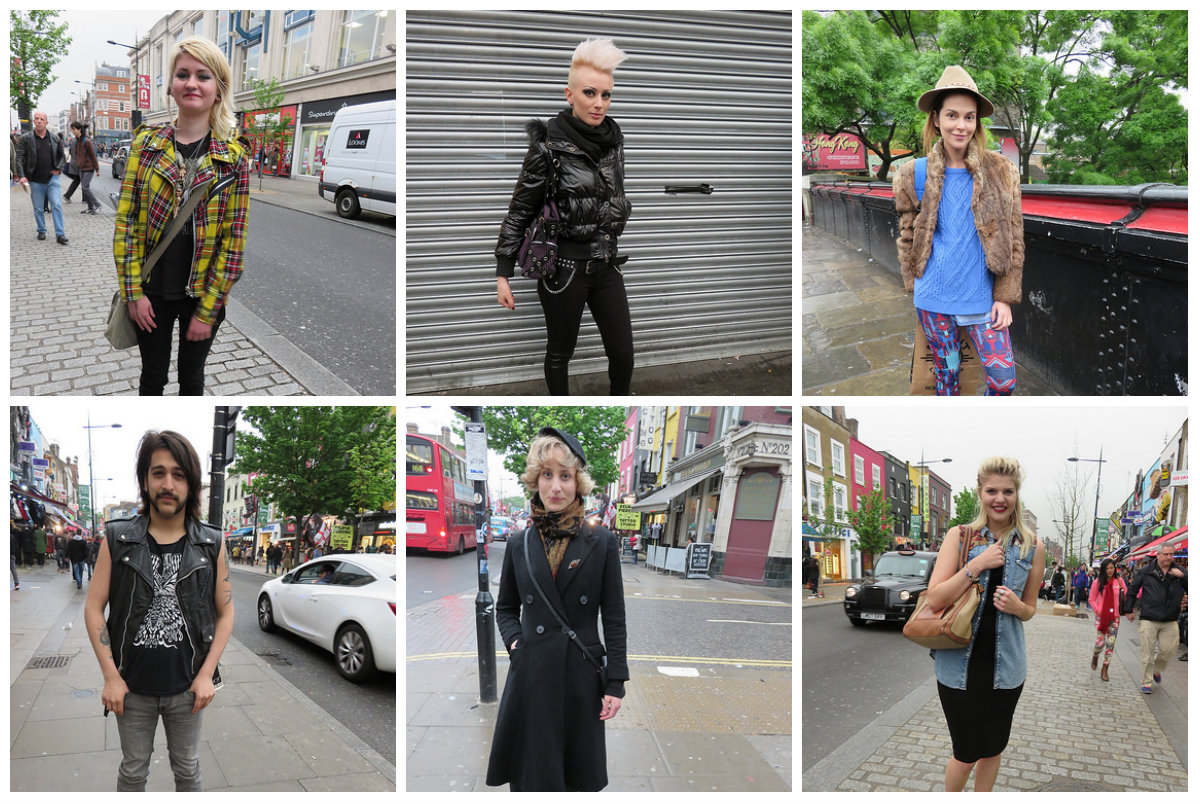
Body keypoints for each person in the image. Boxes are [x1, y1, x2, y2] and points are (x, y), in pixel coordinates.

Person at [83, 430, 233, 791]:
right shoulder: (118, 538)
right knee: (133, 772)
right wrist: (111, 677)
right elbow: (92, 608)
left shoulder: (211, 543)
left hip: (188, 689)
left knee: (187, 770)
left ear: (191, 485)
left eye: (179, 475)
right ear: (145, 480)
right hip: (131, 689)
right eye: (159, 472)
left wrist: (205, 676)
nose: (168, 484)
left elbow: (226, 614)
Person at [486, 427, 629, 790]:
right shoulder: (520, 543)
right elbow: (505, 609)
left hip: (580, 678)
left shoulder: (602, 543)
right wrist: (517, 645)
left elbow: (613, 616)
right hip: (532, 677)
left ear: (578, 482)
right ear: (535, 480)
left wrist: (615, 683)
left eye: (565, 476)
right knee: (534, 775)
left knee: (575, 778)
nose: (555, 487)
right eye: (547, 475)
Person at [494, 38, 634, 395]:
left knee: (623, 355)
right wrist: (503, 273)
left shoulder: (614, 141)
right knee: (560, 353)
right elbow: (521, 208)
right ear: (569, 95)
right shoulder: (547, 146)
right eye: (590, 93)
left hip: (606, 263)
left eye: (606, 94)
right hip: (564, 270)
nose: (599, 103)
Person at [114, 37, 251, 396]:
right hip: (151, 294)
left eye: (203, 76)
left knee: (192, 379)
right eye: (183, 74)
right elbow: (126, 225)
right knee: (152, 378)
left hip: (201, 294)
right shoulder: (146, 146)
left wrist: (209, 308)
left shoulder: (233, 160)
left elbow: (233, 244)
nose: (192, 83)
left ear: (218, 91)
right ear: (172, 87)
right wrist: (133, 293)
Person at [893, 66, 1023, 396]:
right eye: (952, 115)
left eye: (969, 117)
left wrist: (1004, 297)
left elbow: (1014, 235)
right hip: (934, 302)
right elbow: (907, 233)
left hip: (983, 304)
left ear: (977, 122)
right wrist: (914, 283)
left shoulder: (1001, 171)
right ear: (936, 119)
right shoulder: (913, 173)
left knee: (1003, 381)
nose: (960, 125)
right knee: (947, 380)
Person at [923, 457, 1045, 792]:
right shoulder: (959, 536)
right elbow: (934, 599)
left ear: (1017, 494)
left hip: (1007, 669)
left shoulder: (1033, 546)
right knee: (965, 753)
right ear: (980, 493)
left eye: (1008, 491)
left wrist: (1019, 606)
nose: (1000, 498)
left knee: (992, 749)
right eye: (992, 490)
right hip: (958, 668)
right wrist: (975, 565)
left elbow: (1031, 608)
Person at [1124, 542, 1188, 694]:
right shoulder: (1146, 571)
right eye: (1165, 554)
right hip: (1149, 617)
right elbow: (1133, 589)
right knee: (1148, 652)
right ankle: (1147, 681)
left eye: (1171, 554)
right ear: (1158, 555)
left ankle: (1156, 669)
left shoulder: (1178, 572)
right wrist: (1129, 609)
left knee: (1169, 649)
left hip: (1170, 618)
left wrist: (1184, 577)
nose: (1169, 557)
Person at [14, 110, 70, 244]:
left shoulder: (54, 138)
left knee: (56, 205)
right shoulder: (26, 139)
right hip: (34, 180)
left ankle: (60, 234)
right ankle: (41, 230)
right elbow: (19, 158)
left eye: (42, 119)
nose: (39, 121)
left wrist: (58, 168)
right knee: (38, 208)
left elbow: (62, 156)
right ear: (34, 121)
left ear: (46, 122)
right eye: (37, 119)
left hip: (52, 179)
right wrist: (22, 176)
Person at [1088, 558, 1127, 682]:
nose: (1110, 570)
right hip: (1101, 617)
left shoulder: (1119, 582)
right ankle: (1095, 655)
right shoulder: (1097, 583)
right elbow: (1091, 599)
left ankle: (1105, 668)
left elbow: (1126, 595)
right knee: (1100, 642)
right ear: (1103, 570)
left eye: (1111, 568)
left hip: (1115, 618)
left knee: (1110, 643)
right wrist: (1098, 609)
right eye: (1107, 568)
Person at [63, 121, 101, 213]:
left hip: (89, 168)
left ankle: (97, 204)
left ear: (79, 130)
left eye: (74, 129)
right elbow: (77, 155)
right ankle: (90, 208)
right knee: (84, 188)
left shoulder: (87, 141)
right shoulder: (77, 142)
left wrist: (97, 169)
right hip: (81, 168)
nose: (72, 131)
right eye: (72, 129)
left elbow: (93, 155)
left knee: (85, 187)